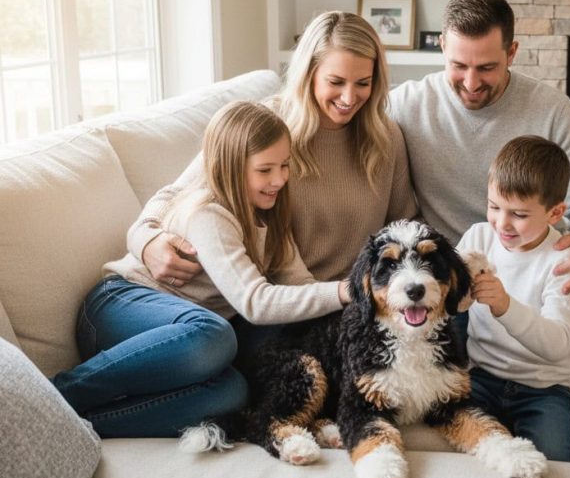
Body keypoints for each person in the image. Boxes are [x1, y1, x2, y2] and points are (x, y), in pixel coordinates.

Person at [388, 0, 570, 478]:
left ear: (514, 52)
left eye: (487, 67)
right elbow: (291, 120)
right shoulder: (407, 104)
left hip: (538, 257)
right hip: (458, 269)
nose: (472, 82)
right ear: (441, 53)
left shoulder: (549, 107)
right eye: (458, 66)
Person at [52, 101, 350, 438]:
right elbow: (255, 302)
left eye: (285, 165)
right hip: (118, 308)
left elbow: (299, 285)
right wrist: (344, 290)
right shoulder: (209, 214)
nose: (279, 179)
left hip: (187, 342)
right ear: (231, 168)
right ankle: (57, 393)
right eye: (265, 170)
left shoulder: (270, 214)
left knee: (233, 393)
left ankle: (76, 426)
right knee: (216, 335)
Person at [130, 11, 417, 286]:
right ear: (309, 74)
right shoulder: (268, 125)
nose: (349, 97)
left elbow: (405, 225)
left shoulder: (386, 137)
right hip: (275, 299)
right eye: (336, 82)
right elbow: (177, 194)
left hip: (347, 299)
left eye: (363, 83)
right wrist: (146, 241)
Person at [458, 135, 570, 464]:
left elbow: (558, 345)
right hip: (482, 375)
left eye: (519, 214)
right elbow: (450, 306)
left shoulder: (561, 261)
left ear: (555, 213)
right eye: (494, 207)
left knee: (556, 462)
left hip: (542, 388)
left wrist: (505, 306)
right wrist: (459, 291)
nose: (502, 223)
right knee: (450, 440)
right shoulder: (479, 237)